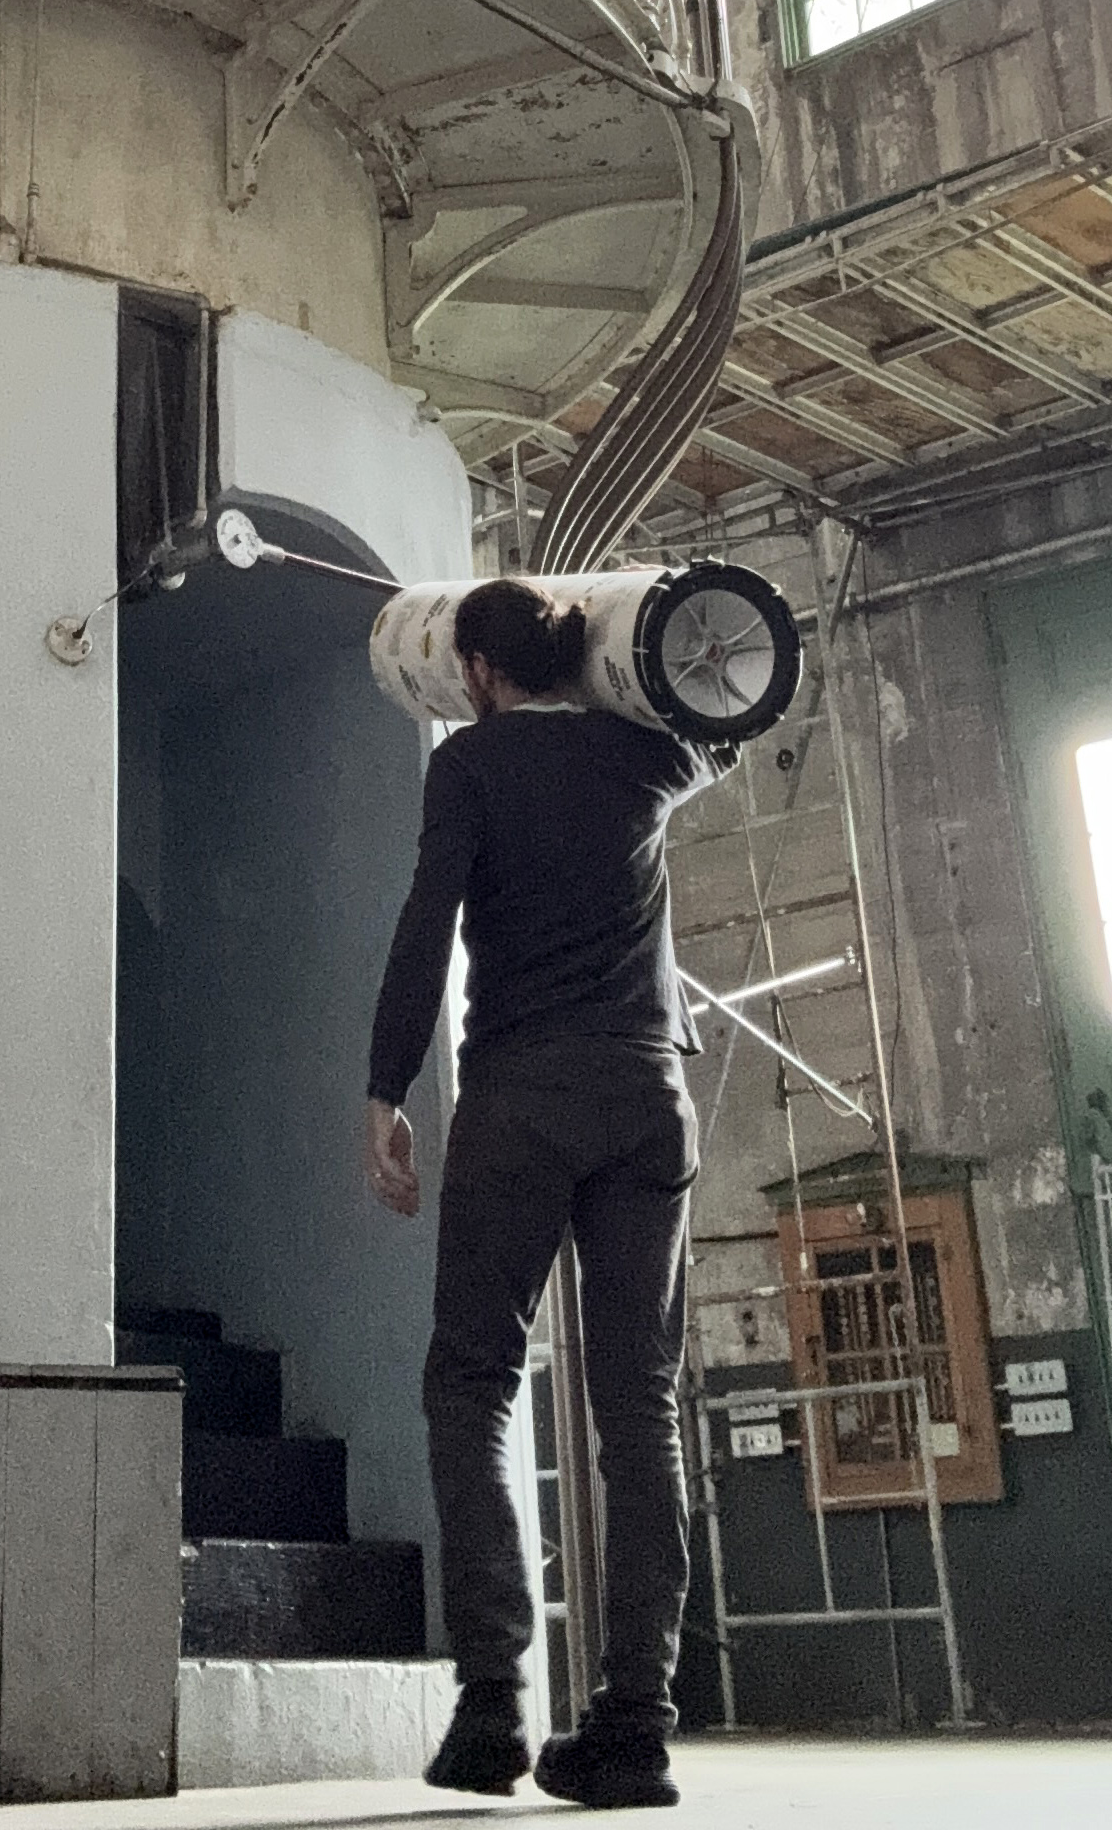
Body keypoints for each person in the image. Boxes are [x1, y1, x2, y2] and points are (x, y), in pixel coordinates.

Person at [364, 575, 718, 1807]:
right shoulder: (647, 756)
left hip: (520, 1097)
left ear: (472, 669)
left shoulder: (468, 766)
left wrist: (385, 1086)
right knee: (641, 1412)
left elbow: (427, 924)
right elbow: (716, 694)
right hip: (644, 1097)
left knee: (471, 1380)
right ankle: (635, 1726)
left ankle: (492, 1711)